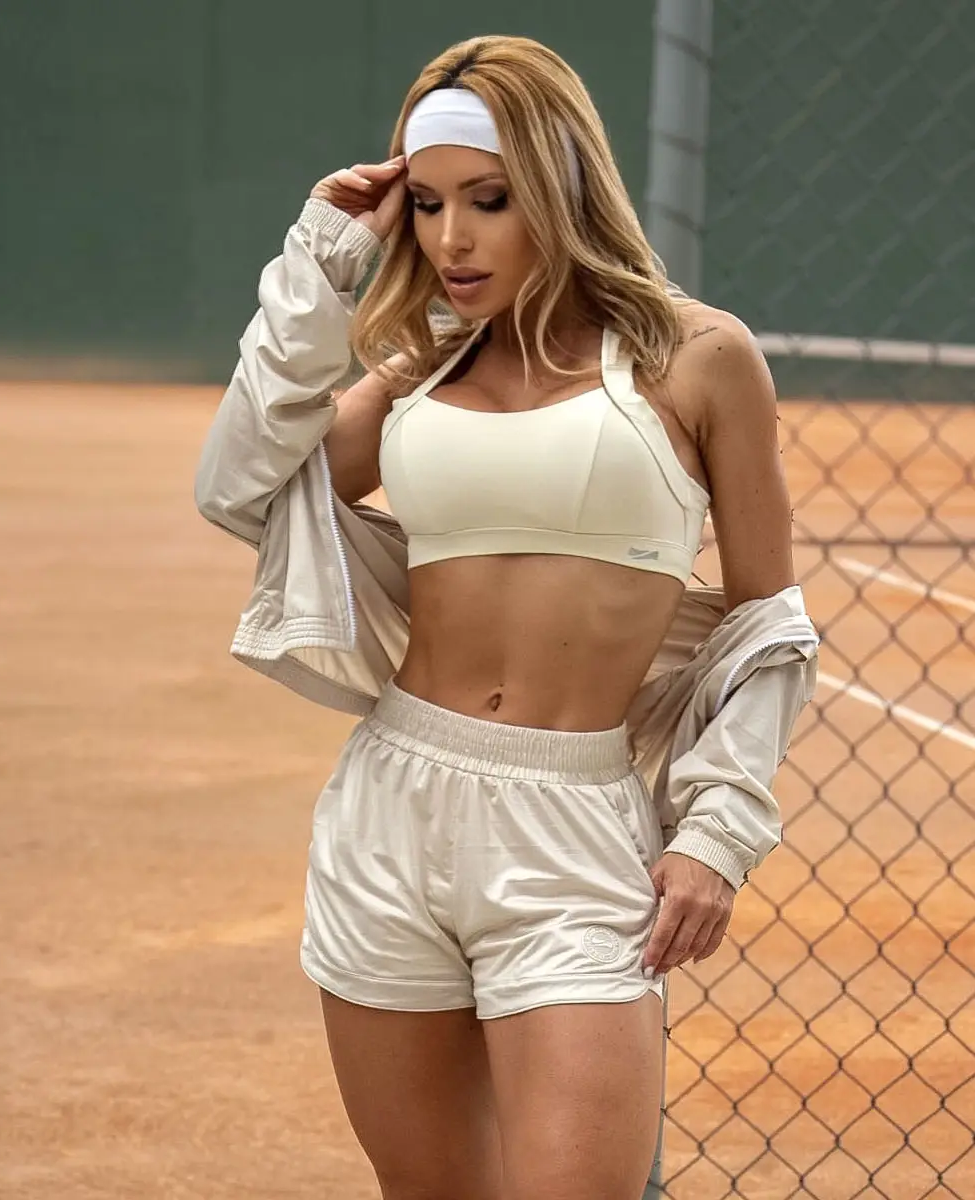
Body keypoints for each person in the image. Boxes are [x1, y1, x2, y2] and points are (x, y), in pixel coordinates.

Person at [195, 33, 818, 1200]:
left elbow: (766, 622)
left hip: (574, 829)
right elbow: (238, 486)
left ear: (562, 186)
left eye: (488, 200)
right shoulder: (424, 368)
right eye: (427, 204)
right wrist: (322, 261)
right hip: (392, 812)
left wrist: (715, 834)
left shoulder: (697, 357)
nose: (451, 239)